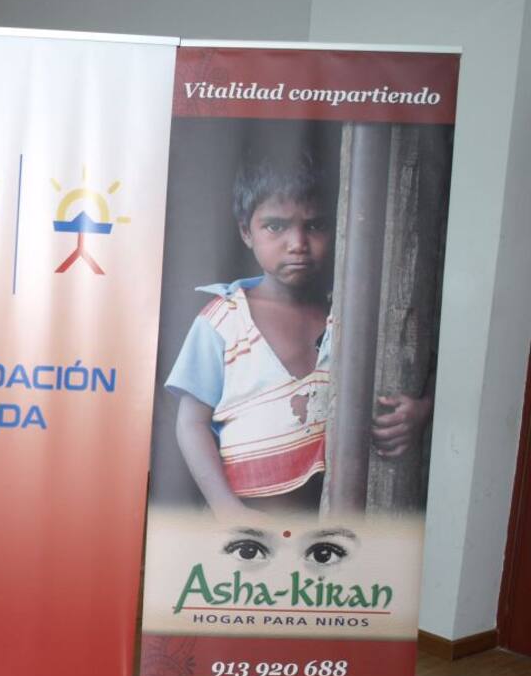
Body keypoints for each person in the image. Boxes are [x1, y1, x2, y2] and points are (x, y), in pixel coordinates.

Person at [167, 146, 432, 519]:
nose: (297, 244)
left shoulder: (353, 314)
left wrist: (421, 411)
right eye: (275, 226)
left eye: (314, 225)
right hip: (252, 525)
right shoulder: (222, 321)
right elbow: (191, 423)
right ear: (247, 231)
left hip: (344, 524)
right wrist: (227, 510)